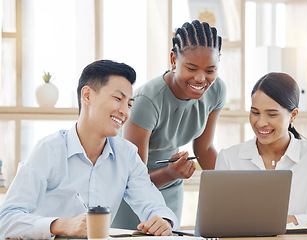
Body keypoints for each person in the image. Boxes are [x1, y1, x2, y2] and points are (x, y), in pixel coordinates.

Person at [0, 60, 179, 239]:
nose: (124, 111)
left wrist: (164, 221)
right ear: (87, 95)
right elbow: (6, 221)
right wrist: (60, 224)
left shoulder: (127, 155)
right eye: (118, 99)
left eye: (129, 104)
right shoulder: (48, 150)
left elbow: (154, 204)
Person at [112, 20, 226, 229]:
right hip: (131, 194)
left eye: (210, 70)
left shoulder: (216, 90)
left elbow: (204, 149)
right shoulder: (147, 101)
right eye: (191, 68)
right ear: (173, 60)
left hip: (171, 185)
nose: (201, 79)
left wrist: (231, 188)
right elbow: (132, 179)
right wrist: (170, 173)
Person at [215, 72, 307, 227]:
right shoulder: (229, 158)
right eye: (255, 112)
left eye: (272, 114)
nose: (261, 122)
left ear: (293, 115)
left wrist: (297, 220)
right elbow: (214, 222)